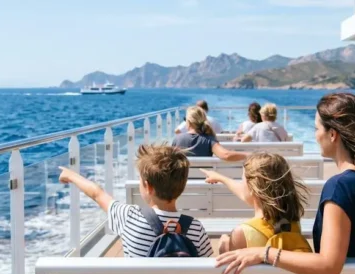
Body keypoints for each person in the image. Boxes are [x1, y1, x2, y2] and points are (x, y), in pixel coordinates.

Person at [214, 93, 355, 274]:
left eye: (316, 129)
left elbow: (329, 267)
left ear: (332, 134)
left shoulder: (341, 187)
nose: (315, 136)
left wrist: (265, 253)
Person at [58, 144, 213, 257]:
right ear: (182, 185)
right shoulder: (196, 228)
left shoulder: (129, 217)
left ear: (148, 186)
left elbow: (97, 194)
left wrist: (70, 175)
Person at [199, 152, 312, 254]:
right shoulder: (293, 224)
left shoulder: (242, 233)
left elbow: (233, 272)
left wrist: (224, 246)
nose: (241, 184)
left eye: (242, 180)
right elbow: (246, 194)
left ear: (253, 188)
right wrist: (221, 178)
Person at [172, 106, 247, 161]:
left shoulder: (177, 139)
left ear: (188, 122)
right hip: (204, 180)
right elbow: (226, 155)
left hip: (183, 180)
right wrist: (249, 155)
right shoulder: (209, 139)